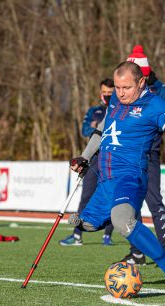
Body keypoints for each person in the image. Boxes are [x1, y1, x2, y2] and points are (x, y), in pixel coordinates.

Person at [68, 61, 165, 295]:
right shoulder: (116, 100)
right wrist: (84, 157)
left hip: (131, 176)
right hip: (105, 178)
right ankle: (105, 217)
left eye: (126, 87)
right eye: (117, 87)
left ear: (141, 82)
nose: (120, 93)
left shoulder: (155, 104)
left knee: (122, 220)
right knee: (82, 224)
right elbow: (102, 130)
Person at [119, 45, 165, 265]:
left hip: (149, 153)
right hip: (127, 155)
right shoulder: (125, 92)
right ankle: (138, 252)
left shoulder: (163, 92)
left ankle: (164, 249)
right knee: (130, 204)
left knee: (154, 202)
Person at [59, 78, 115, 246]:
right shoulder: (94, 111)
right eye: (104, 93)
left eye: (110, 94)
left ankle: (107, 236)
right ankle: (77, 235)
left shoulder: (120, 110)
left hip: (113, 158)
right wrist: (97, 127)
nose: (106, 97)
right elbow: (86, 130)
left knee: (112, 196)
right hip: (95, 158)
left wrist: (97, 126)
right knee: (86, 196)